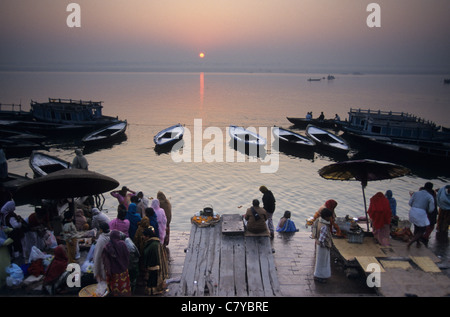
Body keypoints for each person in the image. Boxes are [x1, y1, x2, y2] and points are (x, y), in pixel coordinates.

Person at [102, 230, 131, 296]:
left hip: (114, 273)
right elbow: (127, 255)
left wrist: (108, 273)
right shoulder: (123, 244)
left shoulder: (107, 247)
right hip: (124, 271)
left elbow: (106, 262)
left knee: (115, 290)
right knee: (124, 288)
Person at [142, 226, 168, 295]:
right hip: (157, 266)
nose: (143, 237)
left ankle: (152, 292)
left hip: (153, 266)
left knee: (152, 281)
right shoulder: (156, 243)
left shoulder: (152, 245)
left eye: (144, 236)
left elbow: (147, 255)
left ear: (148, 236)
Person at [408, 184, 435, 248]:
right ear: (431, 189)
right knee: (422, 230)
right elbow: (431, 209)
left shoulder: (416, 193)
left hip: (412, 211)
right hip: (421, 212)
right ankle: (411, 242)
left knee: (416, 228)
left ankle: (417, 243)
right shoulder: (430, 196)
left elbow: (410, 203)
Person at [312, 208, 333, 283]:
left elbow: (313, 229)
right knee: (323, 262)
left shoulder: (318, 221)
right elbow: (322, 239)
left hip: (318, 245)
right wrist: (325, 245)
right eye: (330, 217)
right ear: (327, 217)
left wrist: (316, 239)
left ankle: (317, 275)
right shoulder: (324, 226)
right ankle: (320, 276)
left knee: (319, 261)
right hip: (323, 246)